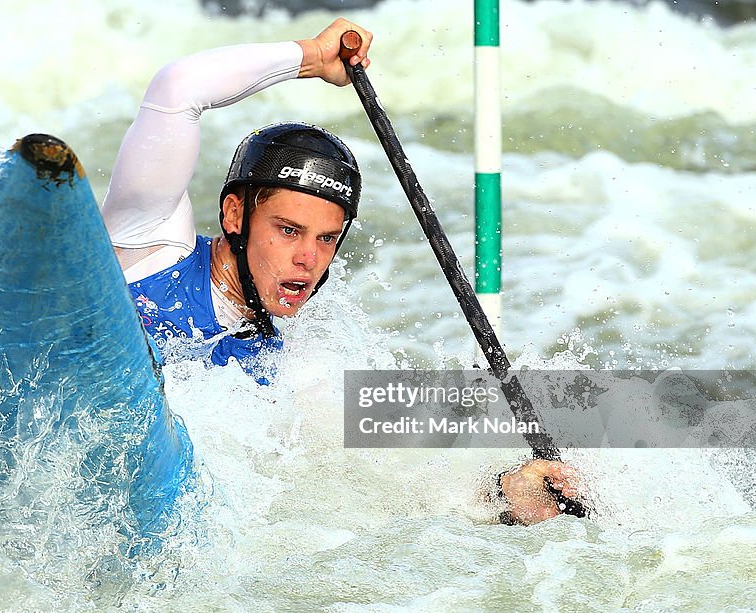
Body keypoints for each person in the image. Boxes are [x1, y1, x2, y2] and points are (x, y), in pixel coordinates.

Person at [100, 18, 584, 526]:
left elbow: (385, 493)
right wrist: (310, 56)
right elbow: (177, 89)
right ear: (235, 215)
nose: (308, 258)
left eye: (326, 238)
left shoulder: (290, 372)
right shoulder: (152, 248)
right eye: (288, 230)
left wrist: (508, 495)